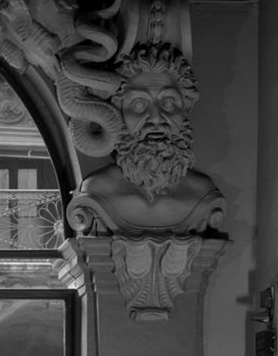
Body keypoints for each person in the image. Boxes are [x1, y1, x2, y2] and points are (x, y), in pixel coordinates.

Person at [67, 44, 225, 235]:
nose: (156, 118)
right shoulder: (98, 190)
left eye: (168, 102)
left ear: (186, 106)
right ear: (118, 110)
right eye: (139, 104)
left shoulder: (202, 193)